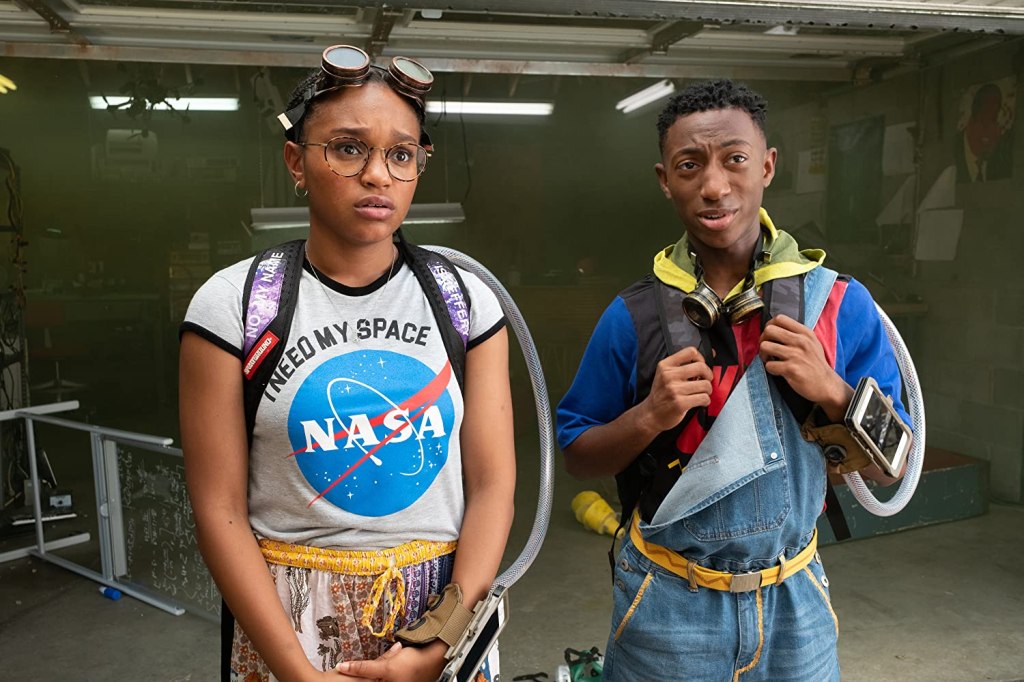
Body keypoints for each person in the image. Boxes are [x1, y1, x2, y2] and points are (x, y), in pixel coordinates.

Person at [179, 45, 515, 682]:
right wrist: (298, 673)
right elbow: (218, 510)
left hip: (441, 615)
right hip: (290, 624)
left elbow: (494, 486)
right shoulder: (236, 305)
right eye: (348, 148)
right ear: (296, 162)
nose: (378, 175)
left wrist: (438, 645)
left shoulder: (465, 301)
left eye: (401, 154)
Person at [556, 79, 910, 681]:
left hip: (795, 603)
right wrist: (649, 416)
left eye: (735, 159)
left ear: (767, 166)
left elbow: (891, 469)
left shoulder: (837, 304)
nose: (715, 186)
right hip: (668, 601)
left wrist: (832, 391)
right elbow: (578, 457)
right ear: (665, 180)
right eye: (689, 165)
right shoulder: (634, 316)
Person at [955, 81, 1014, 182]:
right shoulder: (953, 152)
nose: (993, 133)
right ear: (971, 122)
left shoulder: (1002, 158)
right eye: (984, 123)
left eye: (995, 123)